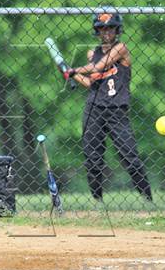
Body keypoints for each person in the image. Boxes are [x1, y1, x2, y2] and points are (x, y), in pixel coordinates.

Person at [61, 12, 152, 202]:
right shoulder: (91, 54)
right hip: (94, 110)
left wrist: (74, 69)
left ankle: (147, 197)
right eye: (102, 29)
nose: (106, 32)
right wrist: (71, 74)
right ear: (97, 31)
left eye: (110, 28)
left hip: (117, 110)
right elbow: (91, 82)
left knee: (129, 156)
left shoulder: (121, 49)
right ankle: (97, 200)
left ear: (117, 30)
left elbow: (99, 67)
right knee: (92, 157)